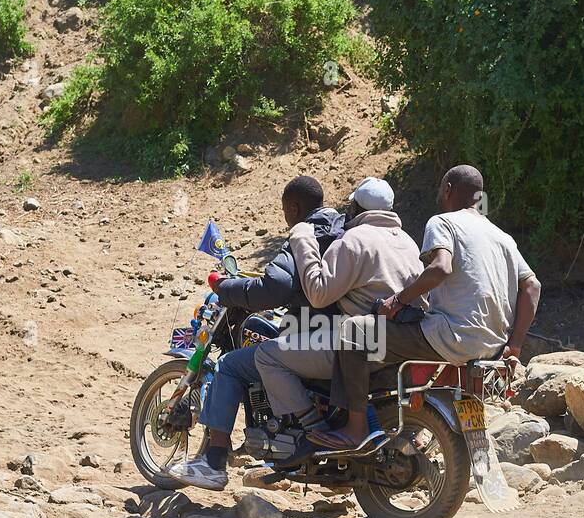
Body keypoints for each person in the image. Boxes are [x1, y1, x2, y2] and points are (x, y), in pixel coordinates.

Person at [309, 165, 541, 452]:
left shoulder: (443, 222)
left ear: (448, 189)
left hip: (452, 336)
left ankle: (355, 429)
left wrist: (398, 301)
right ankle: (408, 425)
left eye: (440, 187)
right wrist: (515, 346)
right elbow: (532, 287)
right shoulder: (501, 235)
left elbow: (440, 268)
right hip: (492, 347)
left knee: (354, 333)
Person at [169, 176, 343, 490]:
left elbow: (275, 287)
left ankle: (212, 462)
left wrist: (228, 289)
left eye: (285, 211)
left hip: (317, 340)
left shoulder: (303, 235)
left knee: (230, 365)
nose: (286, 217)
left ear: (293, 207)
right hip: (354, 338)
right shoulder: (344, 232)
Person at [253, 177, 422, 433]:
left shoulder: (355, 240)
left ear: (356, 209)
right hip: (404, 340)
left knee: (266, 355)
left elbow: (319, 295)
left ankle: (313, 432)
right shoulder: (408, 242)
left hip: (365, 342)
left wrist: (302, 240)